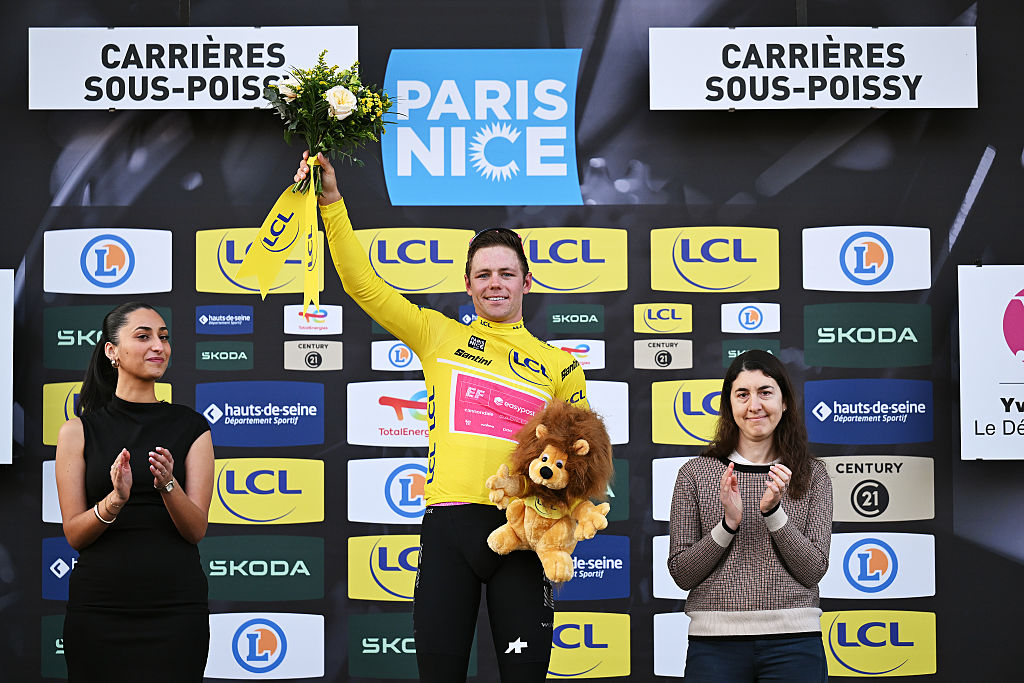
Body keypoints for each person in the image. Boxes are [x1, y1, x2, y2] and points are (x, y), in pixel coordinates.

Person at [296, 152, 589, 682]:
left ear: (527, 282)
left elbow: (583, 463)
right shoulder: (438, 334)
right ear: (468, 285)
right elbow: (365, 287)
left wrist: (561, 521)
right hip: (448, 529)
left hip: (521, 533)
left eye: (506, 273)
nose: (495, 283)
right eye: (484, 275)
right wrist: (332, 203)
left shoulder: (560, 366)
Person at [56, 302, 214, 682]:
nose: (158, 346)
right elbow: (75, 534)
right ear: (112, 351)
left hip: (176, 608)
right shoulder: (77, 432)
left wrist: (167, 485)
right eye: (143, 336)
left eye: (163, 337)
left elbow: (196, 529)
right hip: (100, 608)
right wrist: (115, 500)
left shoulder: (192, 427)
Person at [667, 349, 832, 682]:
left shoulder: (813, 475)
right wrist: (728, 524)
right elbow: (682, 573)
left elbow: (813, 570)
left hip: (795, 643)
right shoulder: (695, 474)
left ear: (785, 402)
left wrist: (773, 513)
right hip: (714, 646)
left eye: (765, 392)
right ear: (729, 405)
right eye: (742, 394)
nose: (754, 405)